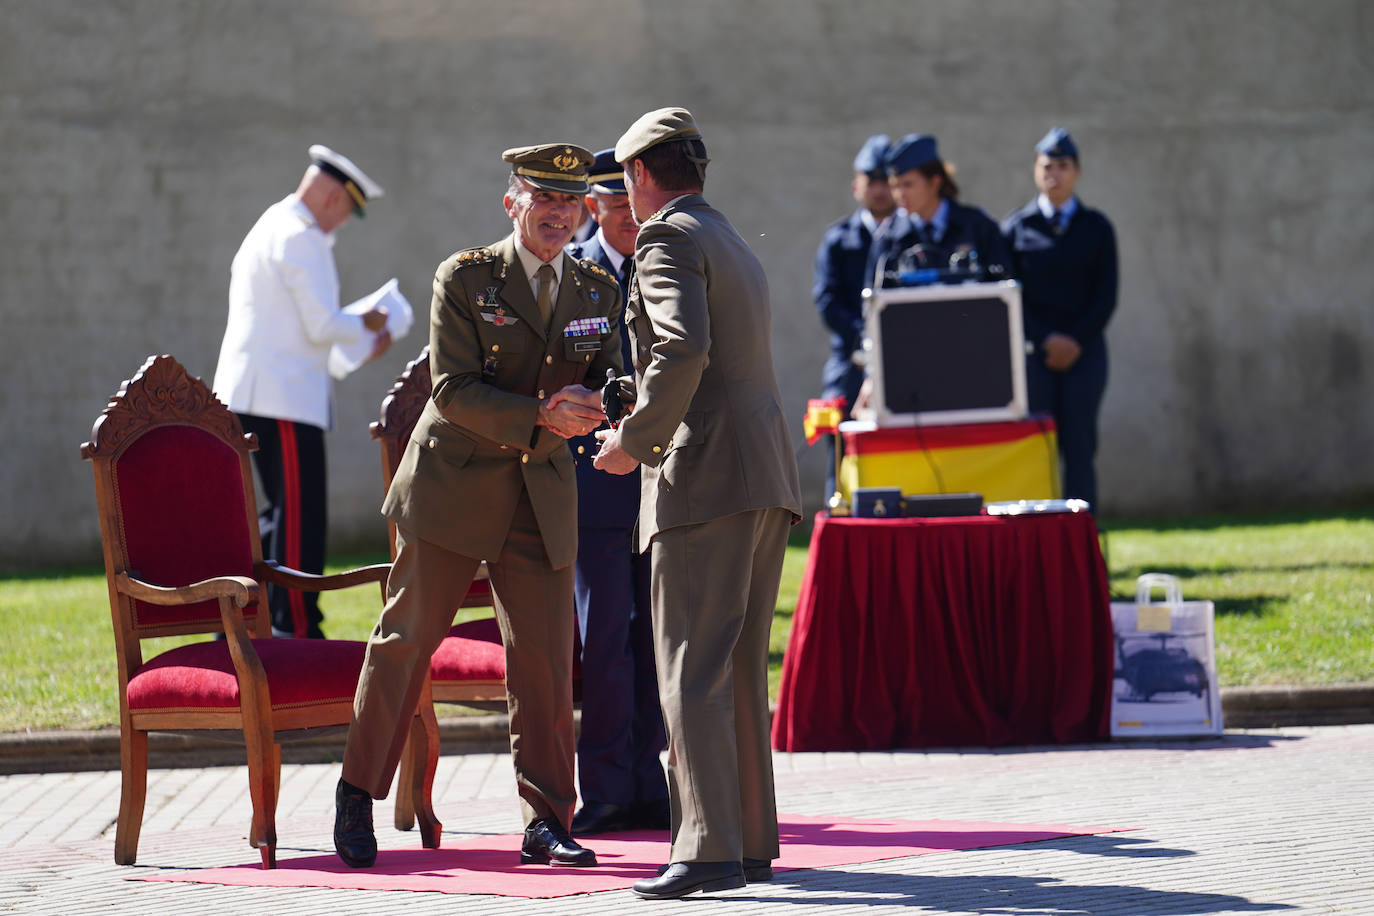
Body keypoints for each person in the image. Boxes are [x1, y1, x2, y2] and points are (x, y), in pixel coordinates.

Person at [332, 143, 624, 871]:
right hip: (453, 486)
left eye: (570, 201)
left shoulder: (595, 287)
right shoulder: (466, 277)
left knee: (547, 664)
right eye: (543, 199)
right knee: (406, 643)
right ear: (512, 203)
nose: (558, 214)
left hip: (541, 492)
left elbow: (614, 377)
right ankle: (357, 792)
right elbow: (453, 390)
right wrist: (543, 414)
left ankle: (547, 820)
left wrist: (603, 404)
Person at [593, 107, 803, 900]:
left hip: (704, 478)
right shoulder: (728, 236)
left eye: (625, 179)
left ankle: (708, 847)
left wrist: (634, 440)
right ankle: (746, 841)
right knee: (737, 668)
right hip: (759, 476)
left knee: (690, 666)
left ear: (642, 175)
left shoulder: (667, 237)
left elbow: (682, 348)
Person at [212, 144, 392, 639]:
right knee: (297, 519)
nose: (342, 222)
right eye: (346, 210)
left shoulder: (276, 224)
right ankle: (295, 626)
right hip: (281, 400)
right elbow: (321, 324)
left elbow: (295, 331)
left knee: (275, 519)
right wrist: (373, 321)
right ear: (334, 198)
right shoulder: (300, 235)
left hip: (269, 394)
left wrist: (356, 342)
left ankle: (260, 624)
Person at [564, 149, 670, 837]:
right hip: (595, 479)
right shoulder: (572, 275)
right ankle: (603, 785)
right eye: (617, 210)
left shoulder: (666, 262)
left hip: (658, 476)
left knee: (656, 636)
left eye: (636, 208)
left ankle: (647, 779)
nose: (631, 221)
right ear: (594, 208)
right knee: (605, 637)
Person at [1001, 127, 1118, 508]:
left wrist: (1074, 341)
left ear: (1077, 172)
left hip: (1084, 355)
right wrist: (1045, 339)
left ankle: (1082, 542)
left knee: (1080, 448)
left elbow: (1105, 297)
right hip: (1035, 356)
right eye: (1046, 166)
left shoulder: (1096, 228)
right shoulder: (1017, 228)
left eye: (1063, 166)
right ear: (1035, 171)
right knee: (1037, 449)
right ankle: (1040, 546)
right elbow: (1009, 295)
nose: (1054, 174)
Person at [813, 134, 895, 496]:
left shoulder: (910, 237)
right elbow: (827, 300)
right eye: (871, 180)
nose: (879, 190)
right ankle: (839, 514)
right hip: (852, 361)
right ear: (856, 185)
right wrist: (865, 340)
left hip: (901, 359)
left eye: (886, 181)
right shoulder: (838, 238)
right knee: (841, 441)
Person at [867, 132, 1012, 285]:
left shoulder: (979, 228)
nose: (899, 194)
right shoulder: (889, 238)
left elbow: (1004, 289)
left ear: (935, 182)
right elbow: (874, 301)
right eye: (894, 186)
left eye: (908, 184)